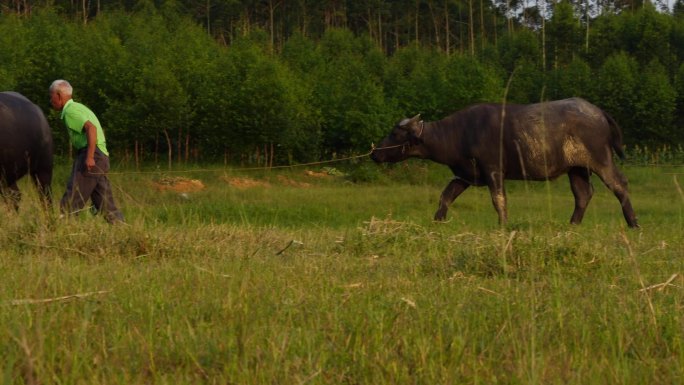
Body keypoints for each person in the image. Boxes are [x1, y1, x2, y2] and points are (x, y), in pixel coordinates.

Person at [49, 79, 124, 224]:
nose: (50, 100)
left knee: (73, 197)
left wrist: (89, 157)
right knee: (104, 202)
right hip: (101, 156)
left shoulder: (70, 111)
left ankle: (62, 230)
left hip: (92, 154)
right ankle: (122, 228)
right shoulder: (78, 107)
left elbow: (91, 128)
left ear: (58, 95)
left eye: (50, 95)